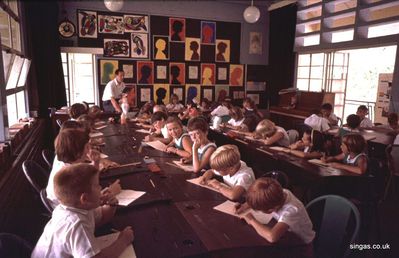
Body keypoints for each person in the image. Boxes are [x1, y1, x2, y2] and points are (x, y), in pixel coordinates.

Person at [32, 164, 134, 258]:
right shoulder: (76, 224)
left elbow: (101, 217)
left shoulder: (75, 207)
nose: (101, 188)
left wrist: (111, 205)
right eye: (97, 185)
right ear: (85, 199)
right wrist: (123, 241)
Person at [47, 129, 120, 208]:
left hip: (68, 204)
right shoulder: (71, 175)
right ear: (78, 153)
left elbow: (89, 178)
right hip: (69, 209)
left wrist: (96, 162)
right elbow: (88, 201)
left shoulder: (65, 160)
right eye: (87, 147)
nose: (90, 150)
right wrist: (110, 192)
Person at [236, 177, 315, 248]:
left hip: (301, 245)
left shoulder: (291, 211)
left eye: (260, 209)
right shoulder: (279, 193)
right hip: (286, 235)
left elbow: (272, 237)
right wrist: (244, 206)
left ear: (271, 210)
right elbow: (259, 195)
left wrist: (251, 220)